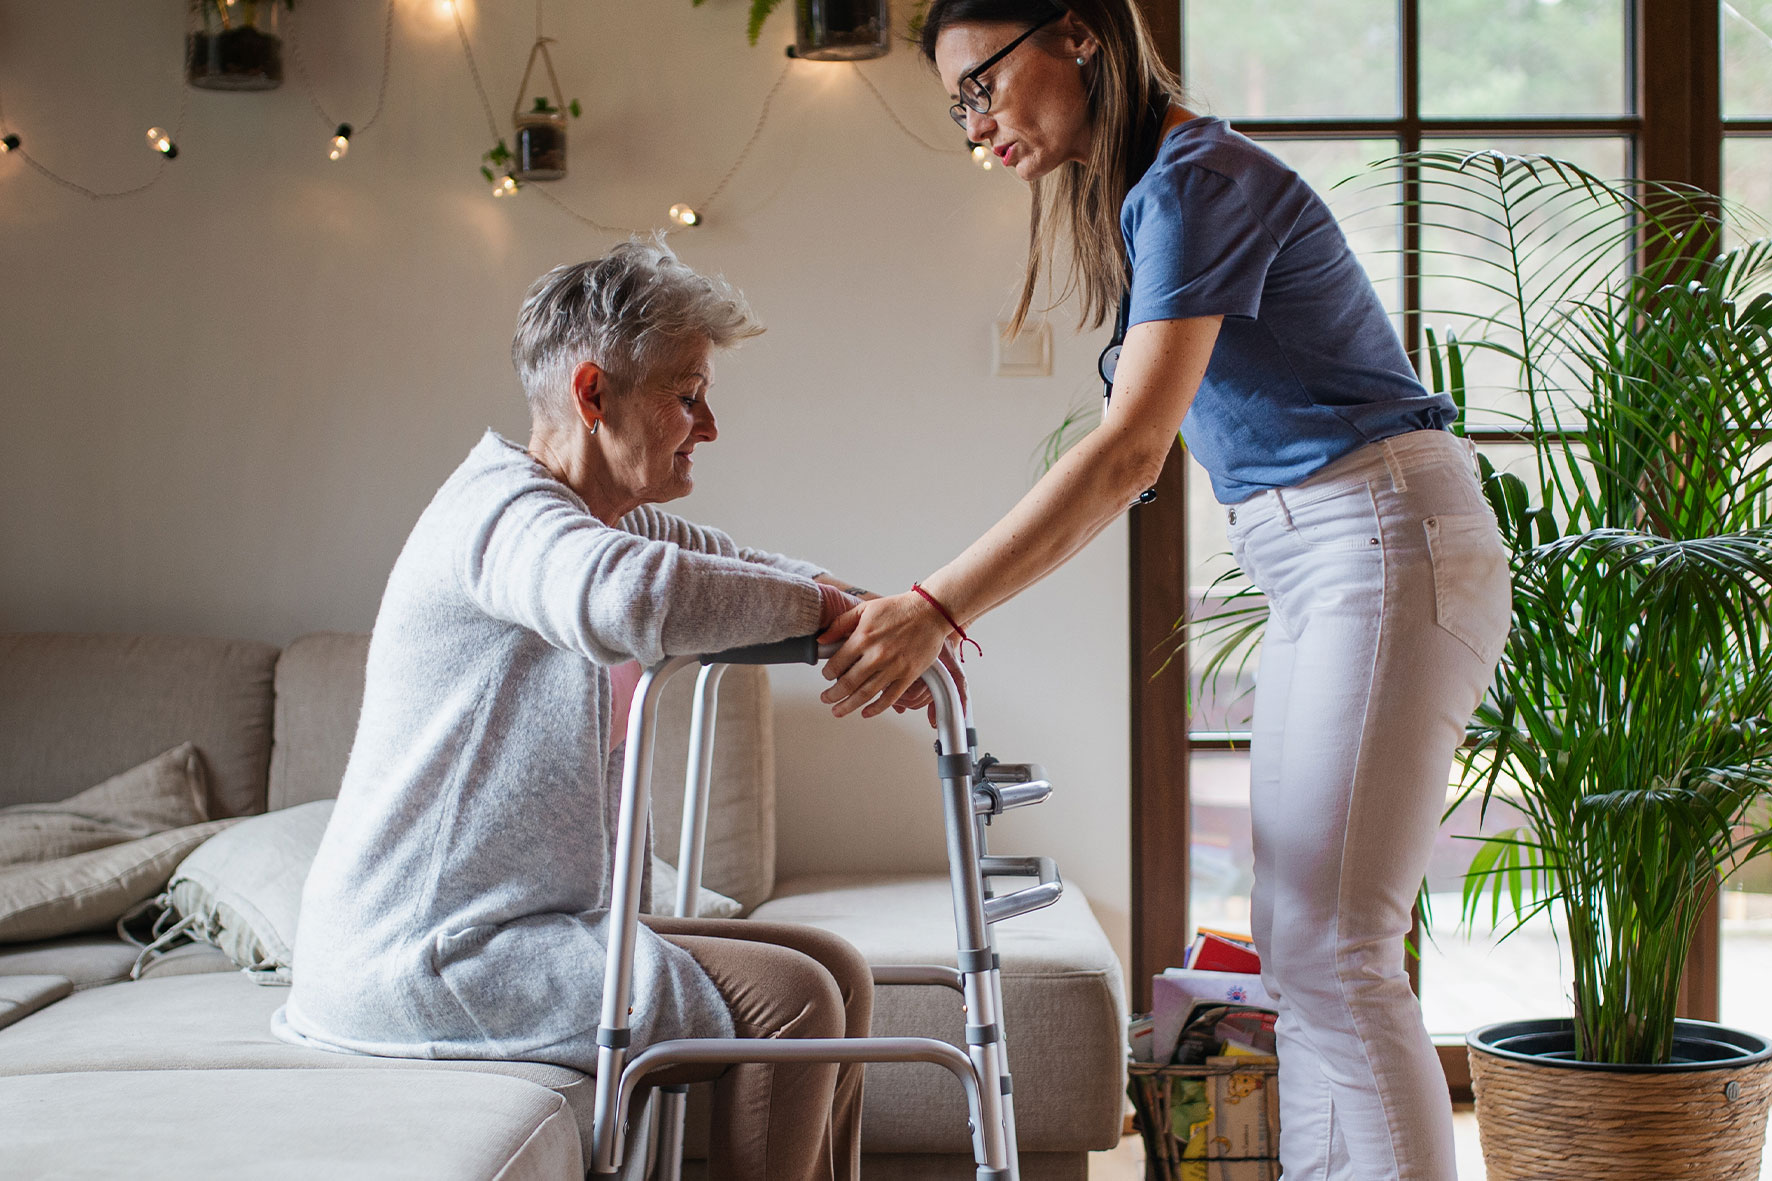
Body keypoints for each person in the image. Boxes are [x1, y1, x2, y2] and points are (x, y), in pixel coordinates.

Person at [816, 4, 1512, 1179]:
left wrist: (936, 604)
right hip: (1325, 550)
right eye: (957, 104)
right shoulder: (1154, 195)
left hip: (1379, 534)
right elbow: (1131, 447)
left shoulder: (1195, 179)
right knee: (1301, 945)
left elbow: (1129, 449)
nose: (975, 122)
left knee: (1336, 946)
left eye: (981, 82)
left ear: (1078, 35)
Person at [276, 240, 913, 1181]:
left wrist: (880, 613)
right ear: (592, 394)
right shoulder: (501, 515)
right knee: (794, 1003)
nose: (710, 424)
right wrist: (825, 611)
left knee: (837, 970)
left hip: (518, 926)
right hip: (427, 954)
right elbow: (631, 600)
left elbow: (732, 566)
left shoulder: (598, 516)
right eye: (687, 393)